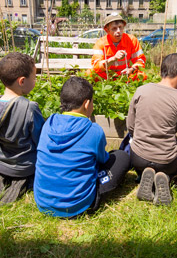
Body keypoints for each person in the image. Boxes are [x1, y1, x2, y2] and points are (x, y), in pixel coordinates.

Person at [34, 76, 130, 217]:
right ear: (86, 104)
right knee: (121, 157)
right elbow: (102, 160)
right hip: (78, 205)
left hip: (43, 203)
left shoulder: (48, 123)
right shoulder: (93, 130)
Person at [127, 53, 177, 206]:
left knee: (141, 156)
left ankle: (144, 175)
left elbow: (131, 126)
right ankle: (165, 178)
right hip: (166, 161)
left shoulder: (141, 90)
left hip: (138, 158)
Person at [0, 52, 44, 204]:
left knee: (3, 171)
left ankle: (2, 177)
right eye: (34, 78)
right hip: (24, 166)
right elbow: (40, 140)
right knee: (25, 175)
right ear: (22, 81)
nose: (35, 81)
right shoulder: (29, 108)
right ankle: (22, 182)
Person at [90, 13, 146, 80]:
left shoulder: (132, 40)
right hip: (106, 75)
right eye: (114, 28)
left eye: (120, 27)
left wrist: (132, 69)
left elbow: (140, 60)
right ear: (107, 30)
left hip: (126, 74)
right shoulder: (101, 43)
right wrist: (113, 59)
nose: (118, 31)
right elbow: (97, 65)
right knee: (89, 73)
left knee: (142, 75)